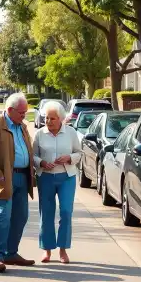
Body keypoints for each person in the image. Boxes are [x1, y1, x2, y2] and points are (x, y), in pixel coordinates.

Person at [0, 93, 36, 273]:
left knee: (21, 216)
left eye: (25, 112)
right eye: (21, 112)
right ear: (10, 110)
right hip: (4, 178)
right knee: (3, 217)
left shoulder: (22, 126)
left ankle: (11, 253)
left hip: (22, 177)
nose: (24, 115)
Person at [32, 101, 83, 263]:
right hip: (45, 177)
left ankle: (63, 250)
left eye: (52, 118)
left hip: (66, 177)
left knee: (66, 212)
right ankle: (47, 250)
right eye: (47, 118)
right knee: (46, 213)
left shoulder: (71, 133)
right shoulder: (39, 134)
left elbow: (79, 153)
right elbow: (33, 155)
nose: (48, 121)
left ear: (61, 119)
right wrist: (41, 163)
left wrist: (69, 158)